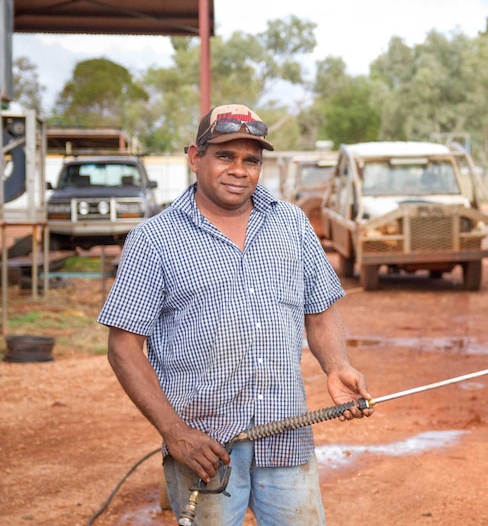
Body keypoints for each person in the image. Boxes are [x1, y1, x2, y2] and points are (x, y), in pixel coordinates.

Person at [98, 103, 373, 525]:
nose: (239, 170)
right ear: (195, 157)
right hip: (203, 449)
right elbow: (124, 347)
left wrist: (337, 367)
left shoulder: (292, 225)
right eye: (225, 156)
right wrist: (175, 433)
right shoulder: (154, 240)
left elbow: (320, 312)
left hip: (286, 433)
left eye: (251, 160)